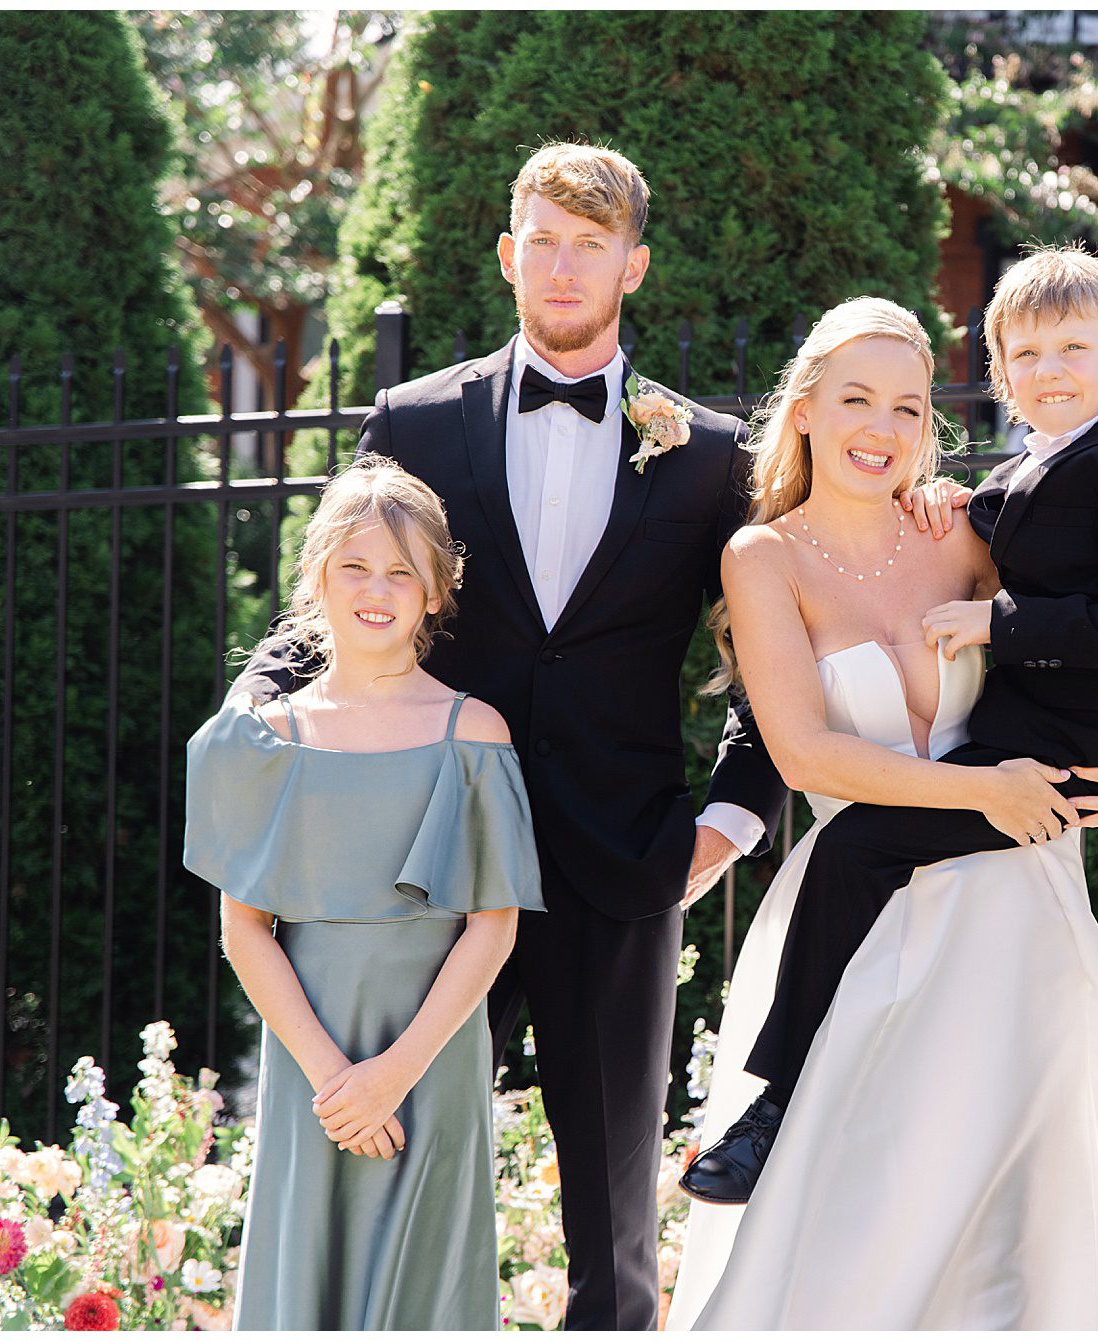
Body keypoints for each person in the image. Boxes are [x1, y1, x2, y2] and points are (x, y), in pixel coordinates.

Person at [228, 141, 960, 1329]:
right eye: (546, 243)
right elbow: (341, 600)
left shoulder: (712, 454)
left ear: (635, 266)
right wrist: (254, 705)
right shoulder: (415, 422)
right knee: (394, 1153)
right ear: (511, 258)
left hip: (622, 861)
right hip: (430, 860)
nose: (565, 268)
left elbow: (777, 640)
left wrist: (729, 814)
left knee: (610, 1222)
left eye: (593, 245)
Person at [665, 296, 1098, 1329]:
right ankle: (768, 1109)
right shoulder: (762, 558)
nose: (884, 429)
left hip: (1019, 905)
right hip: (860, 919)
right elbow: (805, 752)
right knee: (867, 1205)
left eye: (909, 408)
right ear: (807, 411)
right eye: (858, 400)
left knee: (1024, 1208)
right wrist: (983, 792)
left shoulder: (963, 530)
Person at [185, 456, 547, 1328]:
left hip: (430, 1055)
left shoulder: (474, 733)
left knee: (424, 1280)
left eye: (401, 571)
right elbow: (246, 931)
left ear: (434, 593)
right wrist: (335, 1078)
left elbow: (490, 932)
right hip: (314, 1058)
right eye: (354, 566)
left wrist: (393, 1074)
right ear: (315, 576)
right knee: (307, 1263)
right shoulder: (265, 738)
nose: (376, 589)